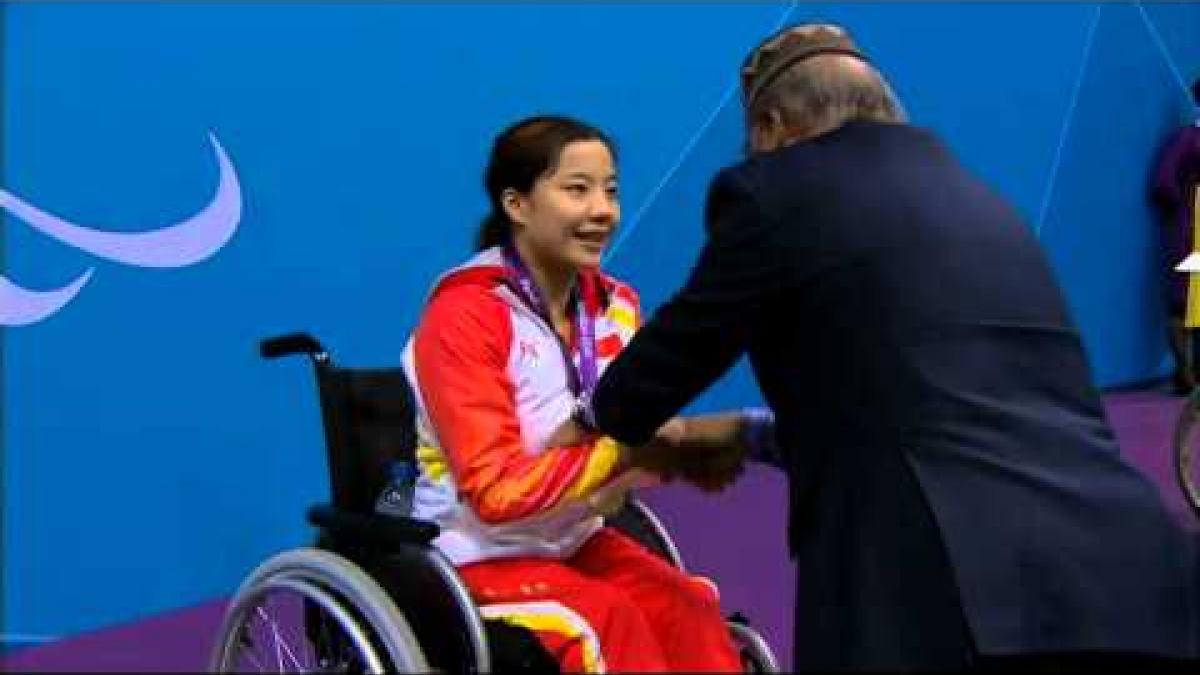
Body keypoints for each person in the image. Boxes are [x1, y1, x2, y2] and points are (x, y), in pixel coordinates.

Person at [564, 23, 1199, 672]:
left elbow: (679, 349)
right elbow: (925, 401)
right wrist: (747, 434)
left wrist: (587, 419)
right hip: (1136, 577)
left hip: (955, 596)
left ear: (773, 128)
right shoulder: (984, 206)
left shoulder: (776, 190)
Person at [399, 115, 746, 673]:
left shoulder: (616, 307)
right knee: (607, 625)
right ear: (517, 204)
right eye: (577, 190)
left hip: (574, 541)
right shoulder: (464, 319)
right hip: (479, 557)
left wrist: (679, 447)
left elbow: (635, 452)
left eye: (610, 191)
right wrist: (628, 451)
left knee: (690, 607)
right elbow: (495, 493)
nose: (603, 211)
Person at [1152, 78, 1200, 395]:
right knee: (1183, 303)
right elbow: (1164, 183)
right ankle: (1184, 374)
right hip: (1191, 232)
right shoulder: (1187, 140)